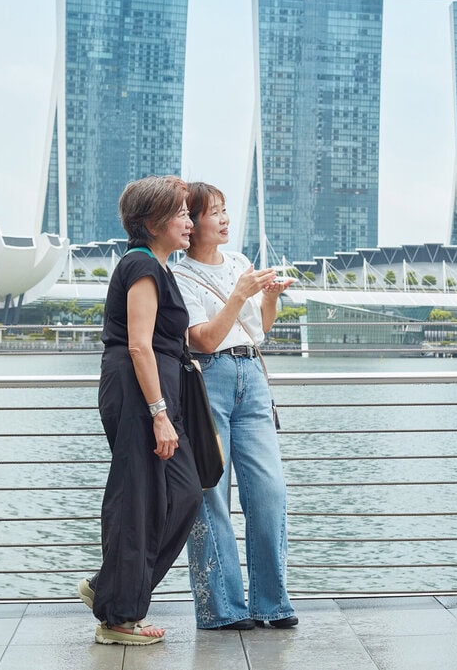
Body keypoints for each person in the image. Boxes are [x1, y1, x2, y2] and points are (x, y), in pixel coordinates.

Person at [77, 175, 202, 646]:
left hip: (156, 395)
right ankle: (119, 619)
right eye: (180, 213)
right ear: (151, 223)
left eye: (190, 213)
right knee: (138, 500)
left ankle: (111, 590)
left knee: (185, 492)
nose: (189, 222)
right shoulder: (142, 266)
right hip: (138, 394)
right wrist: (158, 412)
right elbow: (138, 344)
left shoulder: (158, 266)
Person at [171, 181, 298, 630]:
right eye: (214, 213)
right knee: (212, 494)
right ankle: (222, 609)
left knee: (269, 490)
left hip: (252, 376)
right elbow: (203, 337)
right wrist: (240, 294)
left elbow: (257, 331)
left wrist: (268, 297)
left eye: (226, 211)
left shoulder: (240, 263)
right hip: (209, 380)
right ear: (192, 222)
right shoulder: (178, 275)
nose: (225, 219)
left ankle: (272, 602)